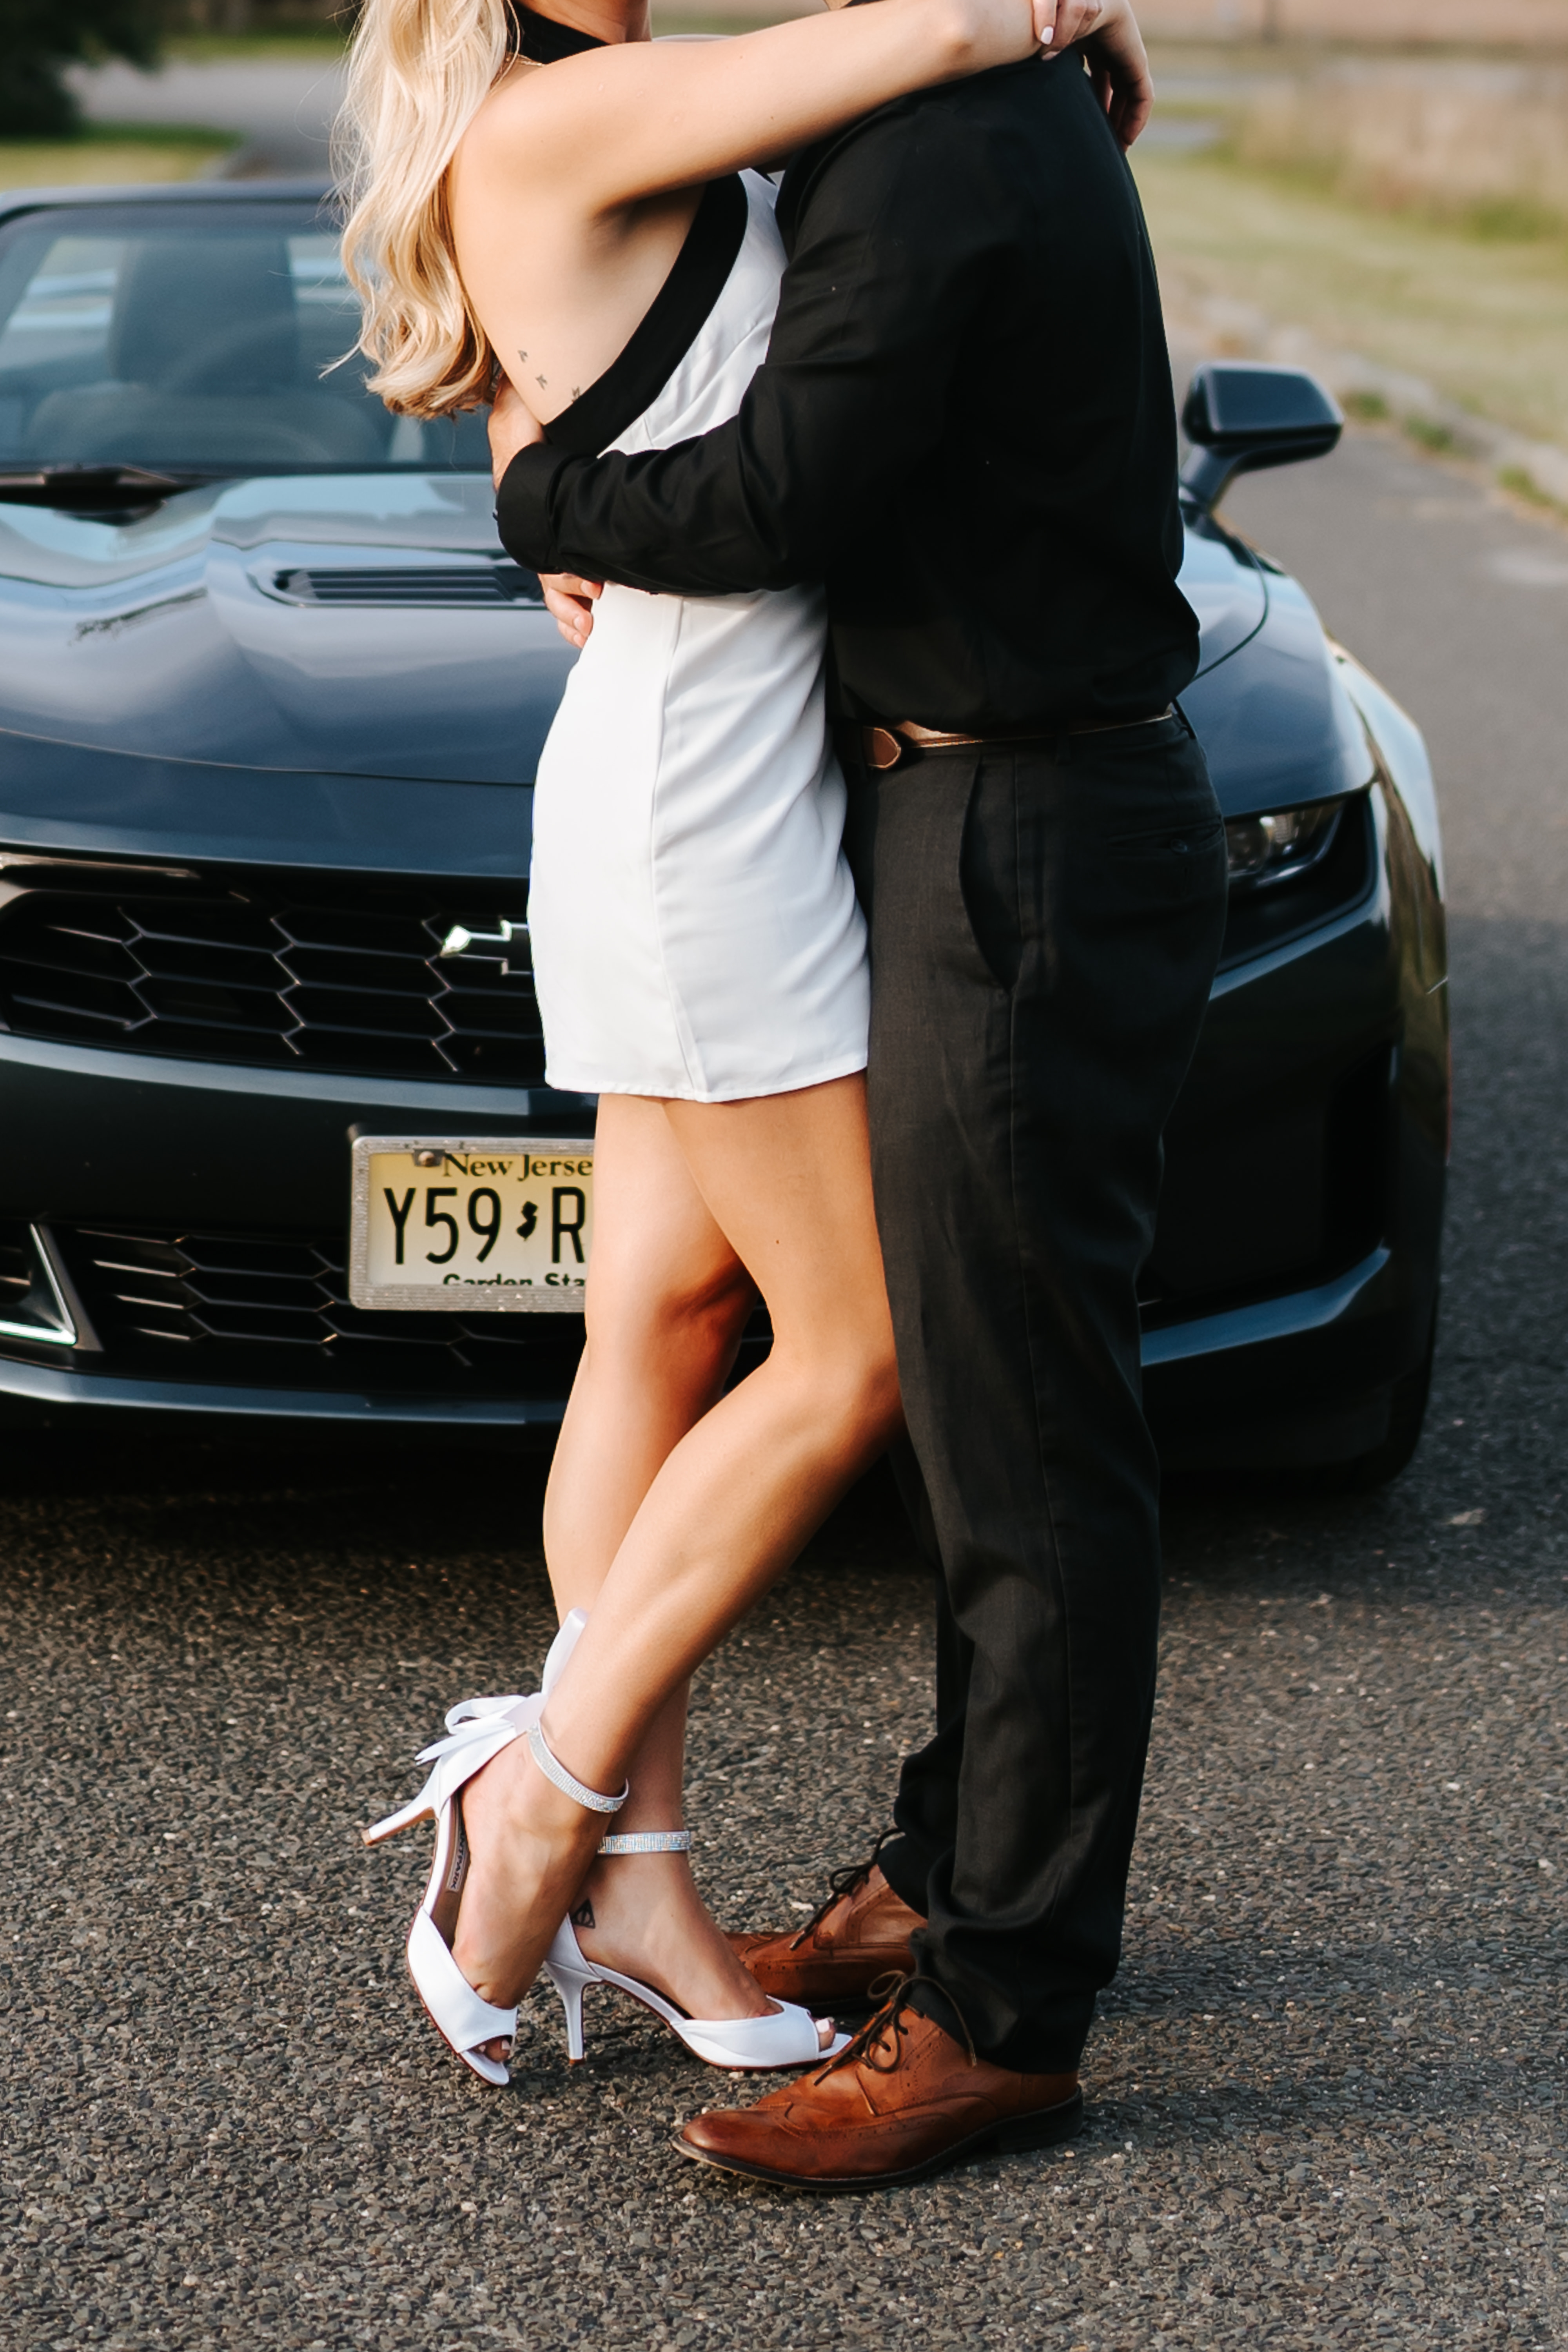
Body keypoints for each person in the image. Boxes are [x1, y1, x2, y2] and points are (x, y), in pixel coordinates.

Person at [343, 0, 1138, 2095]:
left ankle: (641, 1880)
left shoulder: (606, 101)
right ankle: (546, 1794)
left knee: (661, 1330)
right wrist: (1055, 10)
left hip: (692, 769)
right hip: (708, 801)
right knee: (858, 1347)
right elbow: (946, 32)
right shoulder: (577, 107)